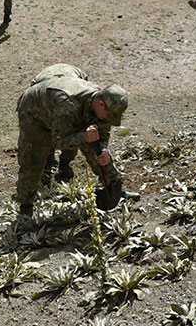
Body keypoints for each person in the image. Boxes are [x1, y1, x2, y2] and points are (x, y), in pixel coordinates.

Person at [15, 77, 129, 220]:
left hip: (62, 112)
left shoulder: (102, 104)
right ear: (101, 104)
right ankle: (25, 205)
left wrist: (104, 149)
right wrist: (83, 137)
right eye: (109, 116)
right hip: (34, 114)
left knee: (94, 146)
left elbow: (103, 132)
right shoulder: (68, 104)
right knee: (33, 158)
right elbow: (57, 142)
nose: (109, 120)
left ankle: (112, 187)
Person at [30, 64, 90, 184]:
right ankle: (48, 161)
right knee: (45, 129)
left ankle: (64, 164)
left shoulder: (76, 93)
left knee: (73, 130)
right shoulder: (42, 93)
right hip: (43, 86)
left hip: (72, 78)